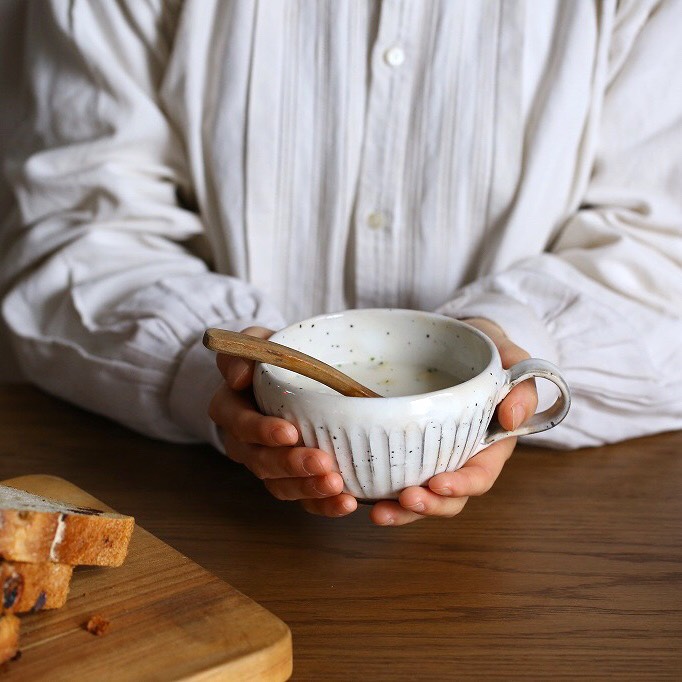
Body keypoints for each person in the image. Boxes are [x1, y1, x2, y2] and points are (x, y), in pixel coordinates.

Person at [2, 1, 681, 526]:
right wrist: (206, 374)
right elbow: (76, 225)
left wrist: (510, 344)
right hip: (198, 514)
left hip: (540, 532)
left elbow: (662, 248)